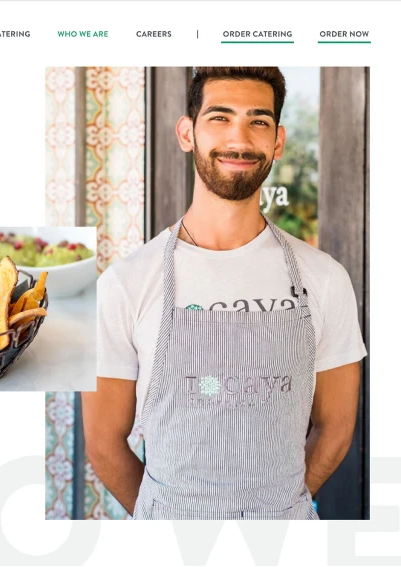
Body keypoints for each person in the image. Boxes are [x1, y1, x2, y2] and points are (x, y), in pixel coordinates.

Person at [84, 67, 367, 520]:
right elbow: (102, 443)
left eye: (259, 121)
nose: (239, 138)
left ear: (277, 141)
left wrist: (276, 512)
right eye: (219, 117)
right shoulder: (125, 283)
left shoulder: (324, 278)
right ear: (186, 133)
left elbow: (335, 428)